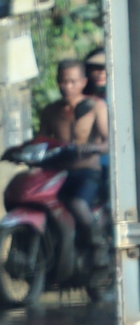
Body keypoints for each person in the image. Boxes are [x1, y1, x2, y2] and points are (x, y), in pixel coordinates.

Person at [36, 56, 108, 261]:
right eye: (63, 81)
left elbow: (109, 141)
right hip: (58, 174)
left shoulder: (96, 106)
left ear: (83, 82)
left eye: (72, 81)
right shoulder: (50, 111)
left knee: (77, 204)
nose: (67, 86)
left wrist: (92, 148)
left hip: (87, 173)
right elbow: (41, 141)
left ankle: (98, 248)